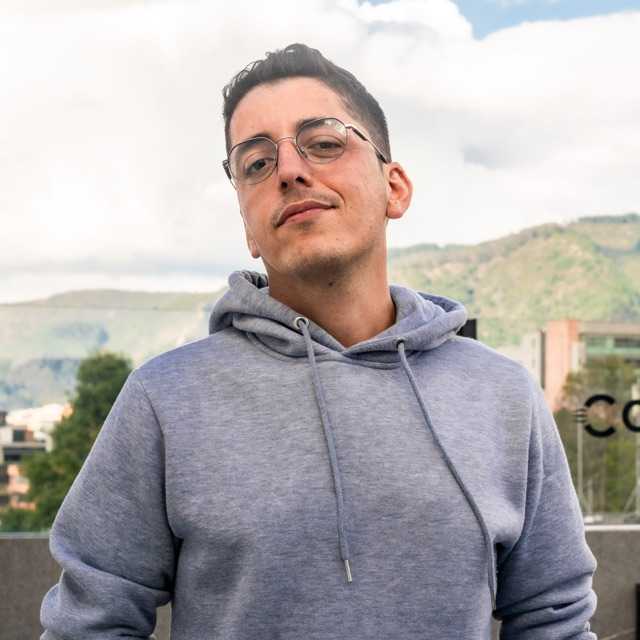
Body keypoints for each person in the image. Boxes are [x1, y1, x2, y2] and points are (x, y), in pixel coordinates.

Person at [40, 43, 597, 639]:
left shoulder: (501, 395)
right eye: (257, 162)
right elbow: (89, 625)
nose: (289, 170)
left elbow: (553, 619)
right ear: (249, 228)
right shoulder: (166, 400)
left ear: (395, 187)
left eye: (325, 143)